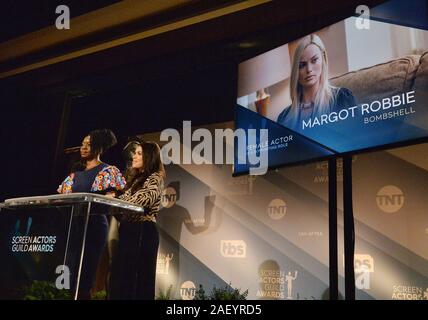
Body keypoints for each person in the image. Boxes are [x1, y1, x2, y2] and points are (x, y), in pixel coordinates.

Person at [58, 128, 126, 299]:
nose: (84, 147)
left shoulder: (108, 171)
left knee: (85, 273)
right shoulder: (75, 174)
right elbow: (60, 200)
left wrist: (110, 195)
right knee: (67, 271)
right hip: (73, 226)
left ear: (99, 148)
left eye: (89, 144)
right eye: (83, 144)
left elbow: (114, 196)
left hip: (94, 227)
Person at [109, 140, 165, 300]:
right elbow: (120, 204)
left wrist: (119, 198)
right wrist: (117, 199)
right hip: (127, 230)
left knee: (139, 282)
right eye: (135, 153)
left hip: (143, 231)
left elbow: (144, 199)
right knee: (122, 280)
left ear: (149, 157)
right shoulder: (133, 179)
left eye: (139, 153)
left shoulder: (155, 177)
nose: (134, 156)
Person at [277, 34, 356, 131]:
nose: (309, 69)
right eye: (302, 65)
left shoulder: (342, 98)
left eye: (314, 60)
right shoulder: (284, 117)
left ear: (323, 59)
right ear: (296, 71)